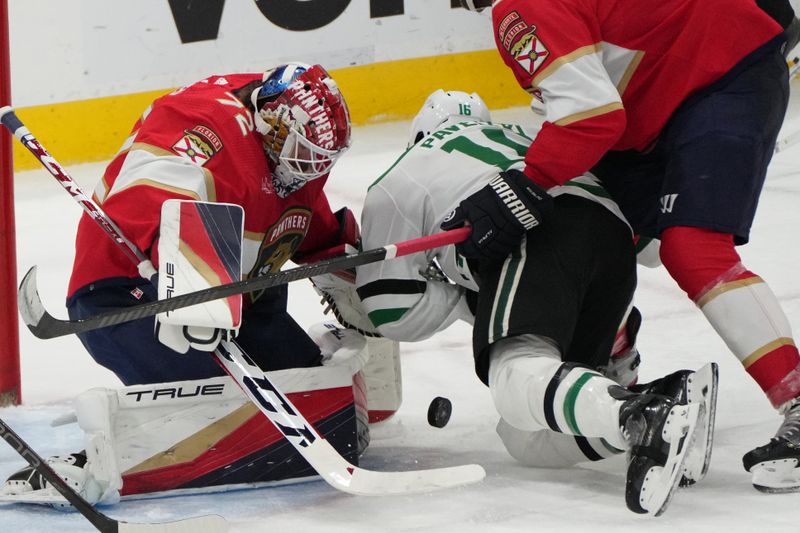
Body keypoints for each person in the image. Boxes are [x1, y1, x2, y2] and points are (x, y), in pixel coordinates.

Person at [313, 90, 717, 516]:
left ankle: (638, 414)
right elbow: (648, 247)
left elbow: (392, 310)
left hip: (540, 236)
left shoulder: (402, 177)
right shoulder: (525, 138)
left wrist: (464, 302)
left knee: (513, 373)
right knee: (526, 434)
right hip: (614, 244)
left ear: (418, 135)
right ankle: (663, 401)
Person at [458, 0, 800, 492]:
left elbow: (588, 116)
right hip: (658, 94)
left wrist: (527, 183)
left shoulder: (520, 8)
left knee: (693, 247)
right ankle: (614, 374)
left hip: (721, 64)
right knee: (593, 229)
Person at [2, 63, 377, 504]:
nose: (308, 170)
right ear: (270, 122)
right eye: (302, 154)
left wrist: (341, 257)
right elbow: (153, 192)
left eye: (320, 160)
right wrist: (191, 280)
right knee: (231, 416)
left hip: (241, 295)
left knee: (311, 399)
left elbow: (301, 206)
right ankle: (92, 463)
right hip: (130, 293)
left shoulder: (292, 139)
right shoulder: (203, 125)